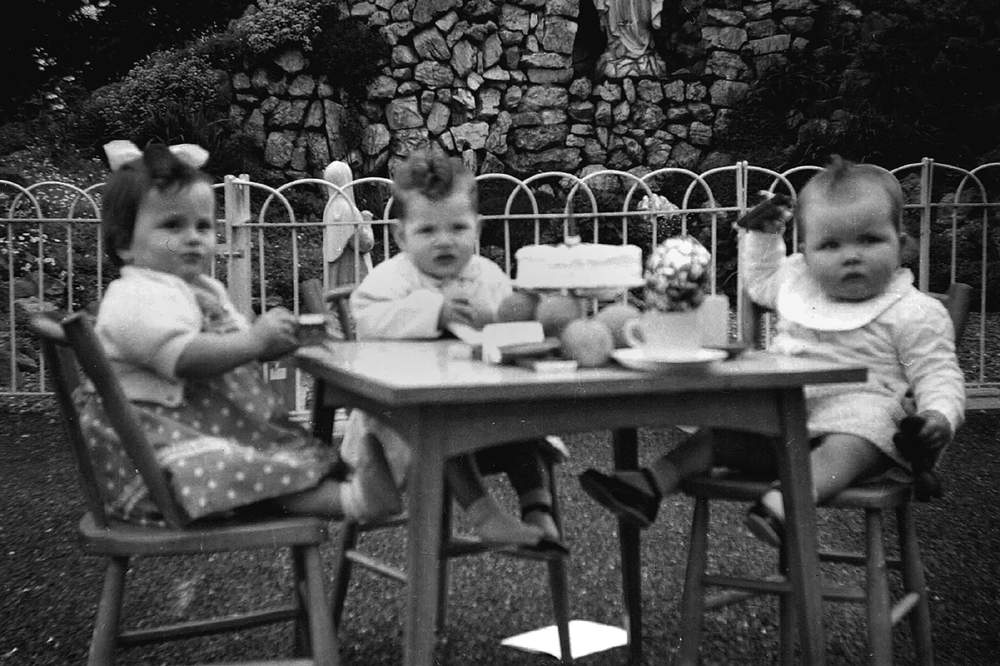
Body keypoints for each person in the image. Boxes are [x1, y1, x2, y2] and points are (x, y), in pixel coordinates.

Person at [579, 155, 966, 546]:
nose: (851, 255)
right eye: (830, 244)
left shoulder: (914, 312)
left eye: (869, 239)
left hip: (860, 432)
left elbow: (938, 373)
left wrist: (938, 416)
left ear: (901, 245)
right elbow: (761, 281)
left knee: (864, 431)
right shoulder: (800, 281)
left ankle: (787, 503)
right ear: (807, 251)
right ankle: (652, 483)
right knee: (719, 436)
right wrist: (763, 234)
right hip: (787, 419)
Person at [77, 140, 401, 526]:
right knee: (232, 467)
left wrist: (267, 342)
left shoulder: (203, 289)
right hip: (151, 458)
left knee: (262, 459)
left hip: (196, 429)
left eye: (202, 225)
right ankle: (355, 501)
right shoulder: (134, 297)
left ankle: (356, 489)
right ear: (124, 245)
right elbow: (183, 358)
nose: (194, 237)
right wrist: (251, 342)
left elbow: (232, 345)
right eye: (172, 225)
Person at [339, 150, 564, 550]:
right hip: (406, 425)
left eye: (458, 227)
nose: (445, 240)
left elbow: (509, 329)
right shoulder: (390, 279)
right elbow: (366, 319)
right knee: (442, 428)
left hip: (484, 416)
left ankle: (537, 513)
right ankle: (486, 518)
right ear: (400, 235)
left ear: (477, 227)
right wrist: (434, 311)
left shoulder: (487, 276)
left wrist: (509, 320)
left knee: (524, 423)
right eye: (427, 231)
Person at [322, 160, 375, 290]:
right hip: (354, 270)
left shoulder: (329, 208)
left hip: (336, 272)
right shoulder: (349, 209)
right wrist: (367, 222)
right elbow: (364, 244)